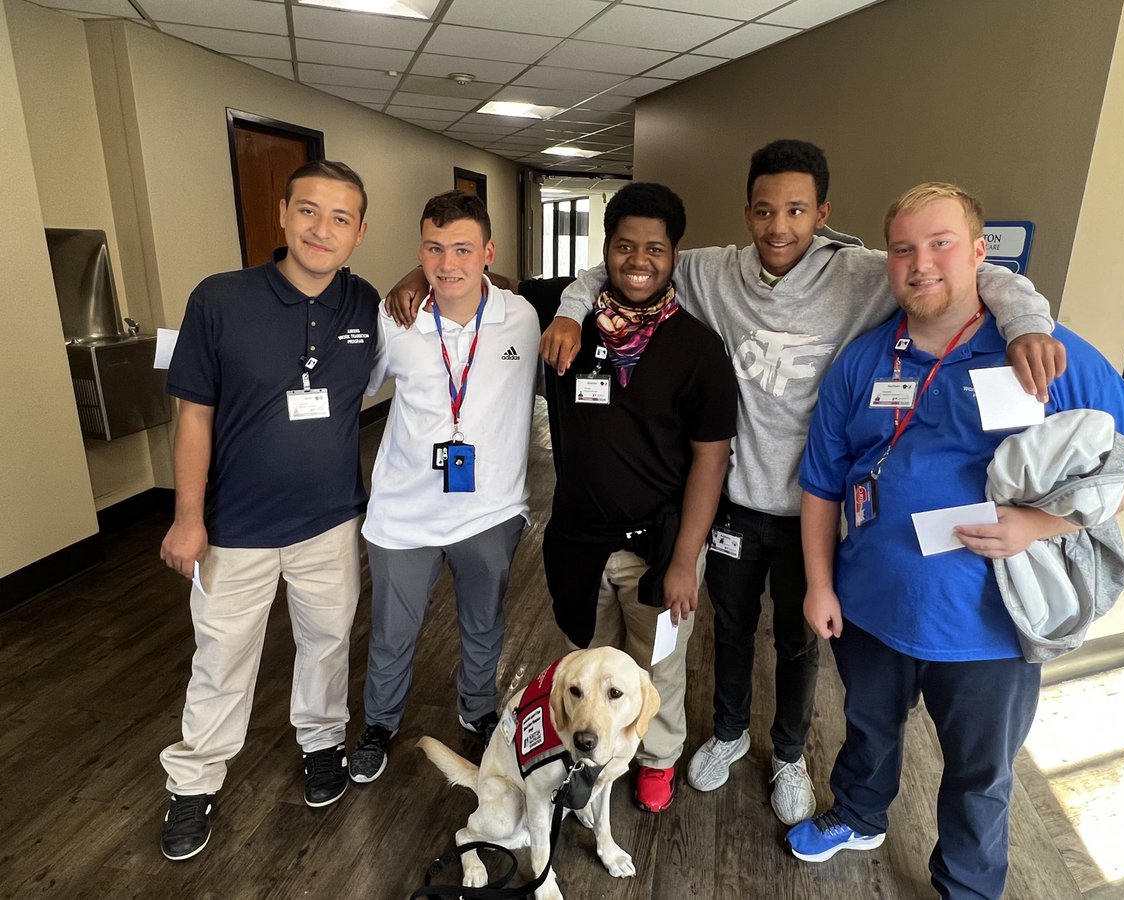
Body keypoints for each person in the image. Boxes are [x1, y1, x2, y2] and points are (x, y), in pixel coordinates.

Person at [541, 140, 1065, 826]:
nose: (778, 226)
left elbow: (968, 272)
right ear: (748, 214)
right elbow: (613, 266)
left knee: (796, 639)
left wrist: (1026, 321)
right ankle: (730, 734)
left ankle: (788, 751)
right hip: (735, 502)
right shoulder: (709, 271)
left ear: (823, 212)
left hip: (814, 508)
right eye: (764, 210)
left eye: (795, 209)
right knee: (730, 630)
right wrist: (569, 308)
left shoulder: (867, 274)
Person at [789, 182, 1124, 899]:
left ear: (979, 254)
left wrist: (1038, 525)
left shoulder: (1043, 355)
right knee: (868, 730)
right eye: (903, 249)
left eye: (941, 244)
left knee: (979, 771)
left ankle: (966, 885)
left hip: (990, 625)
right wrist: (819, 583)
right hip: (869, 607)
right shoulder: (867, 360)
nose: (920, 264)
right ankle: (862, 814)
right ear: (887, 261)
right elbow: (821, 482)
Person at [158, 160, 378, 860]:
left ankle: (321, 744)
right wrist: (187, 516)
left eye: (341, 218)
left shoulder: (365, 302)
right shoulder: (220, 299)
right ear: (282, 215)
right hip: (236, 528)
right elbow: (193, 414)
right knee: (220, 659)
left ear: (359, 233)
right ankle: (193, 783)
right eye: (309, 211)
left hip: (330, 522)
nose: (323, 229)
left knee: (327, 644)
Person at [539, 182, 738, 812]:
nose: (638, 260)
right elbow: (477, 276)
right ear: (606, 249)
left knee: (659, 669)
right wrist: (413, 274)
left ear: (674, 254)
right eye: (625, 245)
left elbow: (712, 458)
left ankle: (658, 756)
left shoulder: (699, 349)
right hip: (580, 541)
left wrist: (686, 559)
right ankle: (586, 756)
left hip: (660, 546)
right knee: (586, 670)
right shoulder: (567, 325)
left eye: (654, 247)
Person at [347, 191, 538, 785]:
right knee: (392, 629)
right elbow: (357, 388)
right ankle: (379, 723)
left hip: (490, 510)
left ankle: (477, 710)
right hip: (404, 513)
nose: (448, 263)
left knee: (484, 624)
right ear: (419, 252)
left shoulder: (523, 317)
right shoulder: (394, 319)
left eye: (462, 249)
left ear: (489, 251)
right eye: (433, 249)